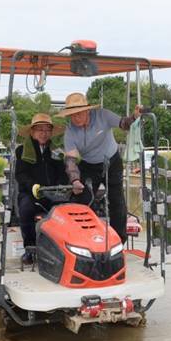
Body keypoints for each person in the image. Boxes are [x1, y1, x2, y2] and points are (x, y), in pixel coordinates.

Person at [55, 92, 141, 242]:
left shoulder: (103, 115)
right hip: (89, 165)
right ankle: (82, 239)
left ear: (88, 110)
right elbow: (70, 160)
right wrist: (75, 180)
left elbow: (124, 124)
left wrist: (134, 117)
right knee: (82, 199)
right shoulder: (69, 131)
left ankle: (119, 241)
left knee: (116, 200)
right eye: (72, 115)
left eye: (79, 113)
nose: (76, 117)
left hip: (112, 162)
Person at [14, 113, 68, 264]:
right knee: (25, 209)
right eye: (40, 130)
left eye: (47, 130)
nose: (44, 134)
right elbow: (21, 174)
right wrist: (33, 187)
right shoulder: (22, 151)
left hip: (54, 193)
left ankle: (61, 249)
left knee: (66, 211)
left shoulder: (57, 151)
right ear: (32, 132)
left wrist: (61, 187)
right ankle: (29, 249)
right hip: (31, 193)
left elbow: (63, 173)